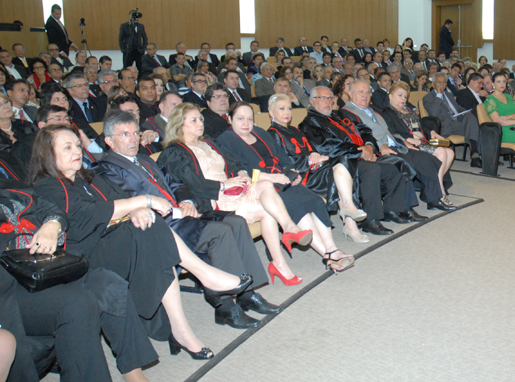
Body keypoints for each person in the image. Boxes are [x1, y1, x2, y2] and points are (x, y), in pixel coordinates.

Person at [30, 124, 253, 360]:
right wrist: (143, 202)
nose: (76, 151)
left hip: (116, 242)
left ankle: (182, 330)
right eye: (67, 147)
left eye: (77, 145)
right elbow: (89, 215)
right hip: (88, 257)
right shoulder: (48, 186)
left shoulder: (88, 178)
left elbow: (120, 200)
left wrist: (136, 210)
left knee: (154, 238)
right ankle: (206, 277)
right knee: (153, 231)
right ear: (46, 153)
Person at [0, 184, 165, 382]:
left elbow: (51, 209)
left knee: (106, 282)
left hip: (43, 269)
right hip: (10, 291)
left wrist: (51, 224)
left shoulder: (12, 191)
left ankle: (133, 372)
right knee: (76, 303)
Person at [95, 111, 278, 328]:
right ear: (109, 140)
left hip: (182, 214)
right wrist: (172, 210)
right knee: (219, 232)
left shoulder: (144, 159)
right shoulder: (105, 170)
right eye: (125, 134)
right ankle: (226, 306)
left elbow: (175, 183)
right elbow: (126, 203)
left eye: (135, 133)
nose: (133, 139)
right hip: (161, 225)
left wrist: (186, 201)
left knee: (236, 222)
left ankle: (247, 293)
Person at [158, 102, 317, 284]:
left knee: (265, 184)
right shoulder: (174, 152)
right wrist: (223, 185)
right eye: (193, 120)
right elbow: (192, 183)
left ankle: (288, 231)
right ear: (179, 124)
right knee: (267, 210)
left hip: (233, 188)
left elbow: (232, 163)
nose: (200, 123)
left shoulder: (208, 142)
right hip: (214, 197)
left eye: (201, 119)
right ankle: (280, 261)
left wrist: (242, 174)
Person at [216, 103, 355, 272]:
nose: (246, 123)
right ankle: (328, 254)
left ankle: (332, 248)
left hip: (281, 178)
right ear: (230, 119)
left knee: (315, 201)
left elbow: (281, 156)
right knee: (299, 208)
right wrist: (270, 177)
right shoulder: (225, 140)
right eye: (240, 118)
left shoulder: (259, 132)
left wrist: (292, 173)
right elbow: (236, 172)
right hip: (261, 186)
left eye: (249, 119)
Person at [299, 86, 416, 236]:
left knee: (395, 165)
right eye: (323, 98)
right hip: (340, 162)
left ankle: (392, 210)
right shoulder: (309, 123)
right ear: (311, 101)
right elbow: (326, 147)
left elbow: (365, 130)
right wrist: (360, 152)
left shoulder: (339, 115)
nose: (328, 101)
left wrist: (369, 146)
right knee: (371, 169)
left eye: (330, 98)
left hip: (361, 154)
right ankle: (371, 220)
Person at [267, 94, 368, 242]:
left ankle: (348, 209)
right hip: (302, 176)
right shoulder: (272, 134)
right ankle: (350, 222)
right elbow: (284, 163)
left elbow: (310, 148)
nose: (287, 112)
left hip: (315, 169)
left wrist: (315, 154)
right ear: (271, 112)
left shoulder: (294, 129)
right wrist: (309, 160)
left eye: (289, 108)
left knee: (342, 164)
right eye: (281, 109)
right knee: (338, 175)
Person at [343, 80, 454, 212]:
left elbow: (390, 131)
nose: (365, 95)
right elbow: (360, 136)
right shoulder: (347, 113)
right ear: (350, 93)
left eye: (367, 92)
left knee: (426, 159)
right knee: (406, 163)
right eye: (361, 92)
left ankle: (433, 198)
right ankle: (405, 208)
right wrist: (381, 146)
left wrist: (402, 141)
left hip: (396, 143)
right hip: (379, 148)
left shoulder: (373, 109)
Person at [381, 82, 455, 207]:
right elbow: (391, 132)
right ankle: (440, 194)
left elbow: (420, 126)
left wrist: (431, 132)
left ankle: (435, 187)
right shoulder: (387, 112)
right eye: (399, 95)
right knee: (441, 152)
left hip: (422, 140)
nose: (403, 99)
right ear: (390, 96)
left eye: (405, 96)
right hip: (411, 143)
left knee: (450, 153)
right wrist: (407, 139)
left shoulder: (408, 110)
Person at [118, 10, 148, 74]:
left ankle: (140, 78)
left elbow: (145, 38)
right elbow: (121, 39)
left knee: (140, 67)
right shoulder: (124, 26)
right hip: (128, 50)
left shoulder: (141, 26)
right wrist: (123, 49)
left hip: (139, 50)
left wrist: (144, 48)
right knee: (127, 67)